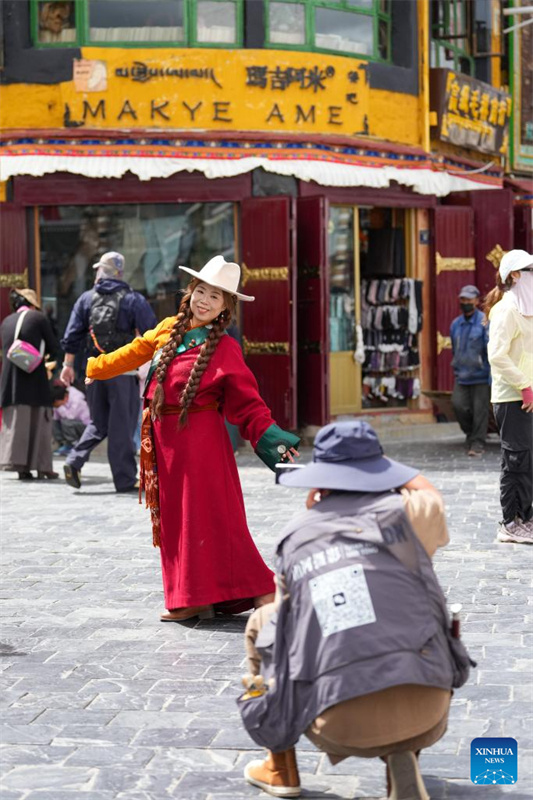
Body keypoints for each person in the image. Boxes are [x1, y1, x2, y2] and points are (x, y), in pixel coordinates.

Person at [239, 421, 473, 800]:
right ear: (380, 472)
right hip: (429, 710)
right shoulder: (409, 513)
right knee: (398, 609)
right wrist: (392, 472)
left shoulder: (296, 536)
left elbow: (288, 636)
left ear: (321, 481)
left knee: (263, 624)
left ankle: (279, 765)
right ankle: (403, 754)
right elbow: (428, 492)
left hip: (336, 723)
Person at [85, 256, 301, 622]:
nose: (204, 300)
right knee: (178, 523)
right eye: (201, 291)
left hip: (202, 448)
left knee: (211, 520)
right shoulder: (168, 329)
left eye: (215, 297)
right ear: (190, 292)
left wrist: (274, 442)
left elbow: (249, 405)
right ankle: (194, 598)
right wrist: (95, 369)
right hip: (166, 447)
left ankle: (262, 588)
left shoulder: (225, 348)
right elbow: (133, 352)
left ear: (224, 308)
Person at [60, 251, 157, 492]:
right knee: (121, 427)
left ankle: (74, 460)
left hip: (94, 373)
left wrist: (67, 366)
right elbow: (153, 334)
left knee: (98, 422)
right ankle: (124, 479)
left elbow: (72, 336)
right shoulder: (133, 299)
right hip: (122, 373)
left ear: (101, 272)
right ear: (120, 272)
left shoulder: (85, 299)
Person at [485, 250, 533, 544]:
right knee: (516, 460)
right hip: (511, 396)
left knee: (529, 460)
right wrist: (524, 385)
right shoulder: (505, 310)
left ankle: (527, 518)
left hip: (528, 394)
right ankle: (511, 523)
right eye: (530, 270)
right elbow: (497, 356)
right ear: (514, 275)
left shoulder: (527, 308)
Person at [0, 288, 58, 480]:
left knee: (16, 424)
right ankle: (42, 467)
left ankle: (20, 466)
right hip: (34, 379)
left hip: (10, 383)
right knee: (40, 422)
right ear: (32, 304)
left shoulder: (6, 322)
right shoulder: (38, 318)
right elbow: (53, 347)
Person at [450, 285, 491, 456]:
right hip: (462, 375)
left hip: (481, 375)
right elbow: (454, 348)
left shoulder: (484, 321)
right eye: (463, 299)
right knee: (458, 405)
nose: (465, 302)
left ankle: (477, 443)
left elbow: (489, 348)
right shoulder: (456, 324)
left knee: (480, 412)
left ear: (476, 301)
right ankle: (471, 435)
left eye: (469, 299)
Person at [51, 381, 90, 455]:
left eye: (56, 404)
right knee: (54, 421)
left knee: (66, 422)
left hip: (85, 426)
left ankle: (73, 445)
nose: (56, 406)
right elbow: (55, 418)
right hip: (73, 424)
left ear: (65, 397)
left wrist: (59, 407)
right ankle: (63, 443)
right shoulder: (62, 396)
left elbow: (70, 416)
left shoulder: (76, 399)